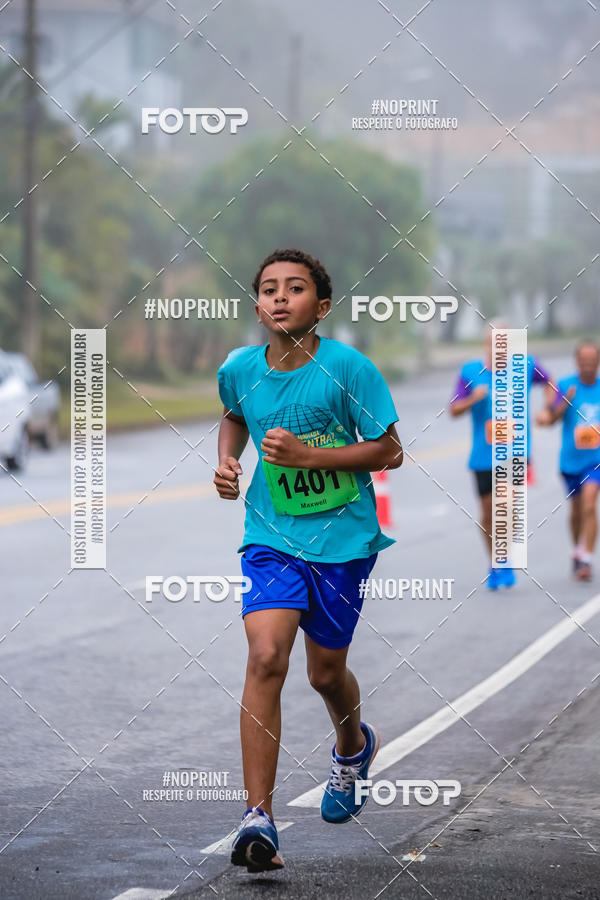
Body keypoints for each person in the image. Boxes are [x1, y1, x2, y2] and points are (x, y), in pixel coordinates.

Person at [214, 248, 403, 872]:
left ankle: (352, 745)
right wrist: (228, 461)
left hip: (342, 543)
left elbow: (390, 451)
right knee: (266, 656)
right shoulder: (240, 368)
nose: (278, 298)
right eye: (268, 288)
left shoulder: (349, 368)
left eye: (294, 289)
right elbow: (234, 416)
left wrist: (310, 458)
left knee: (325, 674)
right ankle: (257, 818)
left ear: (320, 308)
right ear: (258, 304)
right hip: (271, 536)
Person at [449, 323, 553, 589]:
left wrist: (548, 409)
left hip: (516, 453)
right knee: (487, 515)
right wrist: (473, 398)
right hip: (483, 457)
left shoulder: (526, 366)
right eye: (496, 342)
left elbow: (550, 382)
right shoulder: (471, 372)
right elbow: (454, 410)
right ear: (487, 344)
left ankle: (505, 560)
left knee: (504, 506)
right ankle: (497, 561)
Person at [536, 342, 600, 581]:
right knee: (576, 512)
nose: (588, 367)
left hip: (595, 460)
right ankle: (577, 550)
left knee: (590, 505)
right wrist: (564, 403)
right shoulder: (565, 386)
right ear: (577, 362)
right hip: (570, 462)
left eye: (592, 362)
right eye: (583, 362)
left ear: (598, 362)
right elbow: (549, 419)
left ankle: (586, 559)